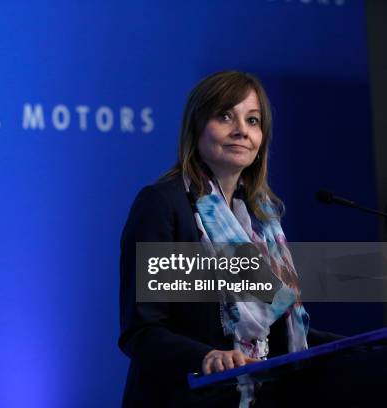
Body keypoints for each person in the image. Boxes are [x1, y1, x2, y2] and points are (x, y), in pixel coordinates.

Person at [118, 71, 344, 407]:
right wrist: (206, 356)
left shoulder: (261, 220)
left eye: (252, 120)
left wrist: (358, 345)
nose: (242, 130)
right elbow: (143, 330)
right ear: (196, 127)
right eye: (225, 116)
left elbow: (278, 330)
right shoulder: (165, 205)